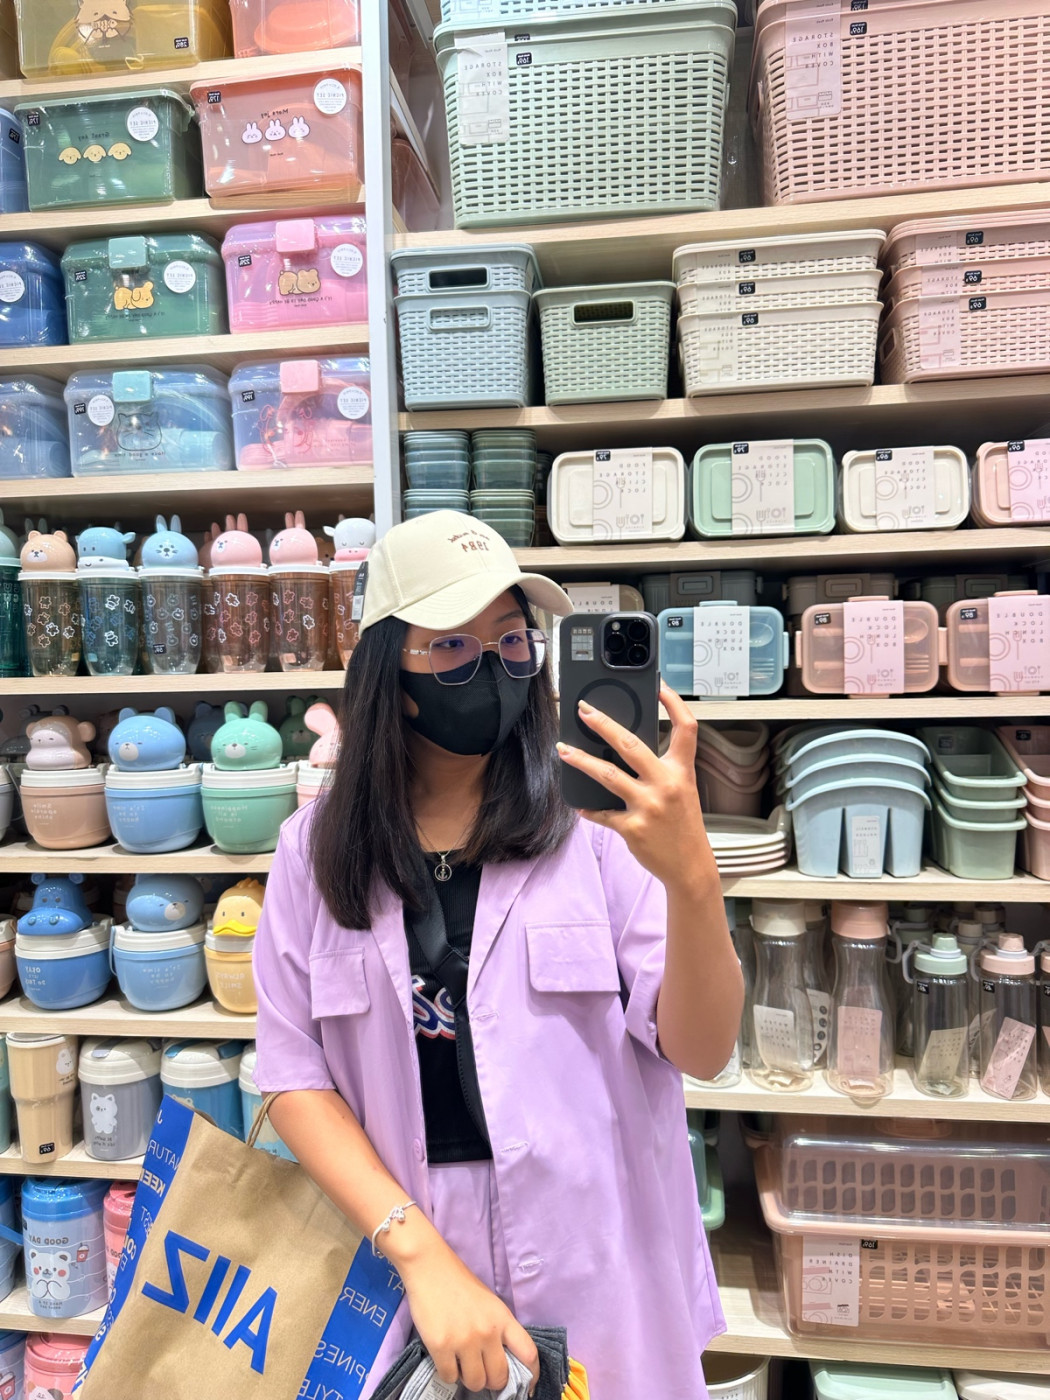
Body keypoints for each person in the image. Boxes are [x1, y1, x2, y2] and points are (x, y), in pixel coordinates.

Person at [253, 511, 743, 1400]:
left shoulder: (600, 830)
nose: (492, 666)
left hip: (601, 1266)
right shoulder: (313, 851)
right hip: (403, 1274)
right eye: (451, 645)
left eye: (513, 639)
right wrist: (419, 1255)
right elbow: (293, 1076)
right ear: (389, 671)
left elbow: (701, 1049)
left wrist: (693, 879)